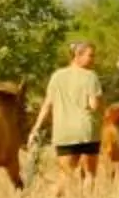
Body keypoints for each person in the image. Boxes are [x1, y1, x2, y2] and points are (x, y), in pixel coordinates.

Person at [30, 40, 104, 183]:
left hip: (63, 132)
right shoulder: (91, 76)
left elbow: (47, 104)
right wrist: (102, 110)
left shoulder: (57, 76)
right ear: (78, 55)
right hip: (86, 131)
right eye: (91, 56)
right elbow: (94, 105)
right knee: (89, 175)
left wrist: (36, 128)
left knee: (64, 177)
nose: (93, 59)